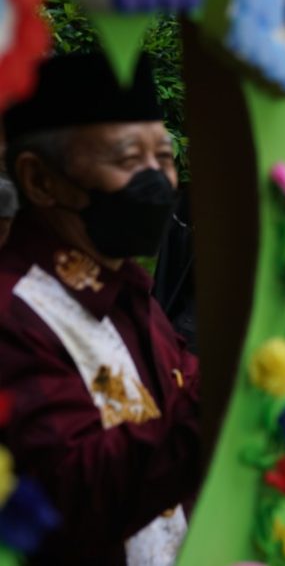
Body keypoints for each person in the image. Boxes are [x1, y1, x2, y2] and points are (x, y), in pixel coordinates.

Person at [0, 54, 201, 564]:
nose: (157, 182)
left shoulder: (128, 291)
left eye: (164, 157)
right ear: (41, 181)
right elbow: (77, 492)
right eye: (129, 161)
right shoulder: (14, 313)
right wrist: (234, 387)